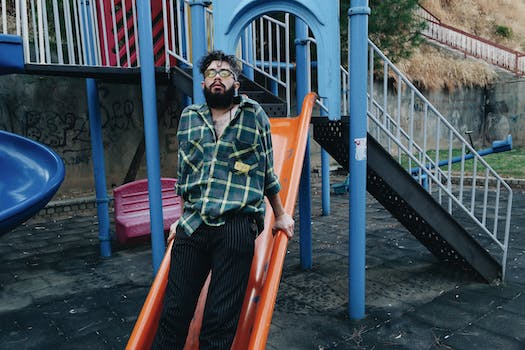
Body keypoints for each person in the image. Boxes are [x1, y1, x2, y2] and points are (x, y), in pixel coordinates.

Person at [153, 50, 294, 349]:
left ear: (236, 84)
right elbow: (185, 175)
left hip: (236, 224)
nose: (218, 77)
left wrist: (280, 214)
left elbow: (266, 170)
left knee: (219, 320)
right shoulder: (190, 118)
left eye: (225, 73)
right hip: (194, 223)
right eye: (211, 73)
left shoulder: (253, 115)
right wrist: (180, 217)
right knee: (174, 313)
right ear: (203, 84)